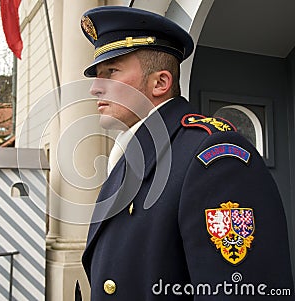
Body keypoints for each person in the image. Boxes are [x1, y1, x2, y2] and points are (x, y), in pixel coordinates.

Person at [79, 6, 294, 300]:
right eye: (97, 75)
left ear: (160, 83)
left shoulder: (215, 158)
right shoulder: (132, 154)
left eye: (111, 72)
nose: (95, 88)